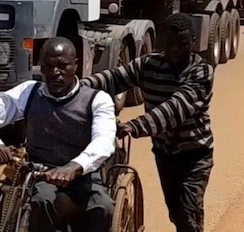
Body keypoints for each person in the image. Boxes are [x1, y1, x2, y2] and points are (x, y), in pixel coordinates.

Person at [81, 13, 215, 232]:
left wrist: (133, 126)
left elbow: (173, 110)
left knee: (188, 215)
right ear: (163, 41)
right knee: (175, 211)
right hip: (164, 153)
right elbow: (114, 79)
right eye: (170, 43)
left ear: (192, 42)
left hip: (195, 155)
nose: (175, 49)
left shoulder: (201, 72)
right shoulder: (148, 64)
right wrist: (79, 88)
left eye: (182, 44)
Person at [0, 38, 116, 232]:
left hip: (84, 176)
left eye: (62, 66)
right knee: (41, 202)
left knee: (103, 207)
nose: (55, 73)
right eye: (49, 67)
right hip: (40, 173)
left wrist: (75, 166)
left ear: (76, 65)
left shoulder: (97, 100)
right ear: (42, 68)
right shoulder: (29, 92)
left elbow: (104, 140)